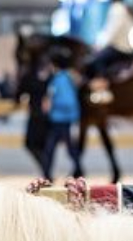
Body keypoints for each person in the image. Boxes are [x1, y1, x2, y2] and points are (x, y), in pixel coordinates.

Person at [41, 50, 83, 179]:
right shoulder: (65, 78)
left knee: (53, 149)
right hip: (64, 119)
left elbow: (67, 101)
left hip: (62, 120)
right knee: (66, 149)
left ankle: (48, 175)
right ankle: (77, 171)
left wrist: (51, 104)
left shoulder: (61, 79)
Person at [86, 0, 133, 94]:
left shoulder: (118, 9)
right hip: (124, 46)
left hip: (121, 48)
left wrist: (98, 45)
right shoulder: (121, 7)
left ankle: (103, 89)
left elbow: (111, 31)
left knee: (97, 60)